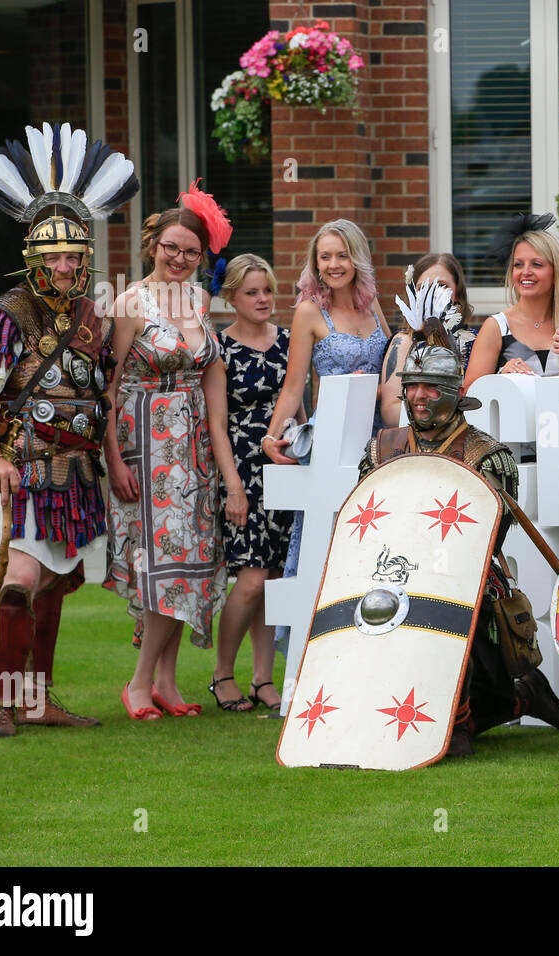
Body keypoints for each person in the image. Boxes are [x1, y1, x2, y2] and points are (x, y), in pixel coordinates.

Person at [0, 123, 138, 736]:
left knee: (54, 586)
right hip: (23, 468)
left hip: (78, 474)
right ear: (33, 261)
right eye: (54, 257)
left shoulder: (94, 317)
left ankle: (37, 698)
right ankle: (1, 702)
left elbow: (101, 400)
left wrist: (113, 464)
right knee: (20, 582)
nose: (66, 266)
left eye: (74, 257)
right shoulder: (5, 315)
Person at [362, 332, 559, 757]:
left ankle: (461, 718)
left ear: (455, 393)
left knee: (447, 617)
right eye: (411, 386)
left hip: (461, 580)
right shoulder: (381, 449)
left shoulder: (485, 455)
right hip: (388, 575)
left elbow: (486, 538)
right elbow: (363, 526)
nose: (419, 396)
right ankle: (518, 699)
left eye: (430, 387)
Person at [105, 182, 238, 720]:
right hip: (145, 445)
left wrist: (226, 473)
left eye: (191, 251)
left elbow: (213, 390)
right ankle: (138, 685)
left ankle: (165, 681)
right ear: (152, 244)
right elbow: (107, 391)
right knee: (167, 565)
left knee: (193, 563)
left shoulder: (200, 301)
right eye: (172, 247)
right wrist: (112, 459)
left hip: (194, 446)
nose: (180, 258)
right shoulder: (129, 302)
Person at [262, 220, 391, 673]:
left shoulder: (374, 308)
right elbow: (294, 386)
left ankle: (366, 647)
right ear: (315, 263)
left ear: (356, 259)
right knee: (325, 541)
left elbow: (391, 374)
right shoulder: (308, 313)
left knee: (369, 541)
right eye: (325, 257)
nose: (333, 265)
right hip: (330, 440)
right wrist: (272, 434)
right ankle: (314, 658)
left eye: (341, 255)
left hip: (375, 441)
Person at [207, 255, 298, 711]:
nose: (263, 299)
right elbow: (217, 426)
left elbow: (300, 408)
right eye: (251, 292)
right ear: (232, 297)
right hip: (244, 469)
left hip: (287, 466)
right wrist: (234, 487)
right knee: (251, 579)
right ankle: (223, 673)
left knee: (277, 576)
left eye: (267, 290)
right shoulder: (220, 348)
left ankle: (264, 679)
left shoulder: (288, 340)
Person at [464, 216, 559, 387]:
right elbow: (469, 395)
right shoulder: (496, 326)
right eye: (518, 264)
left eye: (536, 264)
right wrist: (501, 375)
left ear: (556, 272)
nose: (525, 272)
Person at [379, 253, 474, 428]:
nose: (431, 295)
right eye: (423, 288)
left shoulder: (474, 343)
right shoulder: (404, 343)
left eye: (442, 286)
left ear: (458, 294)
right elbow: (391, 413)